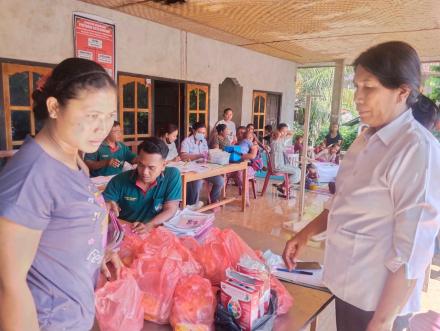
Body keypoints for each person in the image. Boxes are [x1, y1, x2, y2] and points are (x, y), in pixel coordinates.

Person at [282, 41, 440, 331]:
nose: (358, 97)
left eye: (369, 87)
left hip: (378, 304)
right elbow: (343, 201)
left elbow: (413, 250)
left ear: (402, 92)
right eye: (356, 86)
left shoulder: (417, 150)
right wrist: (304, 235)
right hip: (348, 286)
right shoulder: (365, 139)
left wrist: (382, 322)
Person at [0, 58, 121, 331]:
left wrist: (96, 253)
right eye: (92, 115)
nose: (102, 127)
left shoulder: (73, 159)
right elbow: (10, 287)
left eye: (109, 116)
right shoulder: (31, 178)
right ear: (54, 107)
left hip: (78, 312)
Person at [103, 138, 181, 235]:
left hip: (156, 231)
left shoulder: (172, 175)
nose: (144, 172)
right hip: (127, 232)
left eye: (151, 167)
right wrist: (107, 208)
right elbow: (102, 211)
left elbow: (171, 208)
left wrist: (149, 225)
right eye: (140, 164)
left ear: (163, 165)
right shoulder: (119, 181)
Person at [180, 122, 224, 208]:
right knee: (197, 182)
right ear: (193, 131)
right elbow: (183, 157)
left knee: (220, 180)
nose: (202, 135)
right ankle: (192, 205)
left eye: (203, 133)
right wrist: (199, 156)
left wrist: (211, 156)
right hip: (191, 170)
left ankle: (213, 200)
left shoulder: (203, 141)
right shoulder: (186, 141)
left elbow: (206, 154)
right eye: (200, 132)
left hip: (204, 168)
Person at [270, 126, 300, 196]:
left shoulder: (282, 140)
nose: (284, 133)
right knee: (297, 171)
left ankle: (284, 185)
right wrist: (278, 132)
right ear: (278, 132)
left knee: (297, 170)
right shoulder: (274, 139)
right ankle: (285, 186)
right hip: (278, 166)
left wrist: (286, 131)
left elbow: (292, 133)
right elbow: (276, 135)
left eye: (285, 131)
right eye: (282, 131)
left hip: (281, 165)